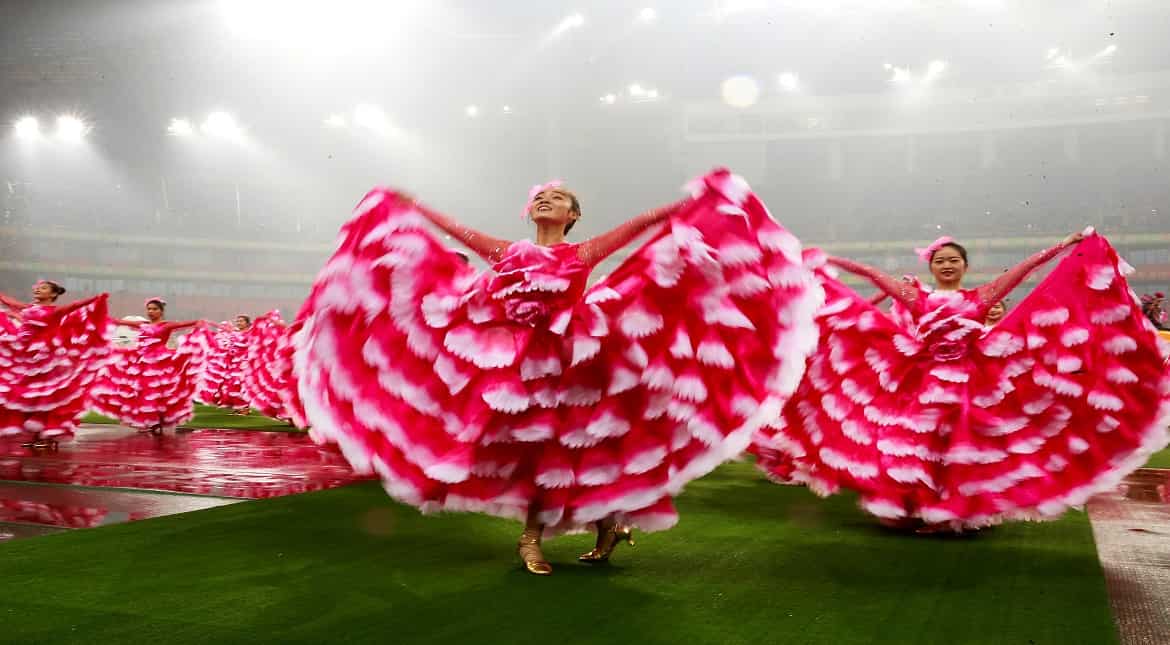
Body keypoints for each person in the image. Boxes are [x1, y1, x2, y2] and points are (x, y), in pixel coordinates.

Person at [292, 169, 822, 575]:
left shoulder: (583, 251)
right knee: (534, 453)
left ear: (571, 216)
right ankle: (553, 532)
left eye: (560, 199)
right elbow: (455, 229)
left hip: (577, 363)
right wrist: (412, 206)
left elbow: (640, 227)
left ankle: (589, 527)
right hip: (518, 366)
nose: (547, 200)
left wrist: (695, 201)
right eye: (541, 197)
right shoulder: (506, 252)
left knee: (575, 451)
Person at [755, 231, 1170, 532]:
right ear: (931, 267)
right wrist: (829, 264)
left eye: (953, 259)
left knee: (962, 450)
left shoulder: (979, 298)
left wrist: (1064, 246)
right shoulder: (918, 298)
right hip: (925, 379)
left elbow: (1025, 270)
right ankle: (922, 507)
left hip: (972, 382)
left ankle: (952, 513)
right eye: (940, 261)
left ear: (964, 266)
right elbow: (874, 277)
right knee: (922, 446)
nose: (947, 265)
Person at [0, 281, 110, 448]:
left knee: (47, 399)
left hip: (48, 361)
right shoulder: (29, 308)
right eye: (37, 287)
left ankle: (49, 435)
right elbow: (10, 302)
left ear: (53, 294)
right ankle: (37, 435)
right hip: (29, 360)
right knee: (30, 398)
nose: (37, 289)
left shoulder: (55, 311)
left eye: (43, 288)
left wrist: (95, 298)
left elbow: (74, 305)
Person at [88, 298, 208, 435]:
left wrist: (201, 323)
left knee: (157, 393)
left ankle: (157, 420)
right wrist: (99, 315)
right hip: (141, 362)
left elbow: (188, 324)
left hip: (158, 363)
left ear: (161, 311)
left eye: (154, 309)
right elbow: (118, 321)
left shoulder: (166, 325)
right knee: (140, 392)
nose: (151, 312)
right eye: (149, 309)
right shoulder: (142, 324)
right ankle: (150, 421)